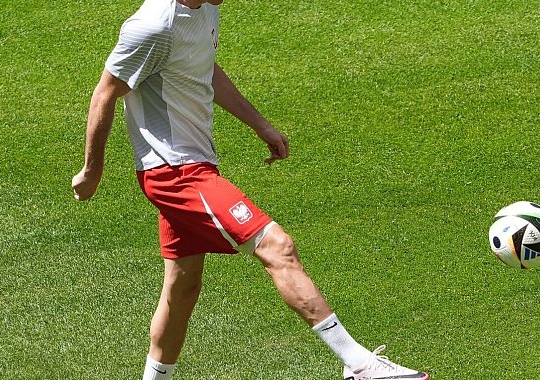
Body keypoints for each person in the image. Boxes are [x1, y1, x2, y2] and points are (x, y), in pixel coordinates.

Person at [70, 0, 430, 379]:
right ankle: (359, 365)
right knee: (277, 246)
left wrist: (260, 124)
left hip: (195, 163)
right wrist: (92, 170)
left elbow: (203, 68)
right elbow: (105, 92)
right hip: (175, 173)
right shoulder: (152, 26)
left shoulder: (205, 8)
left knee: (182, 287)